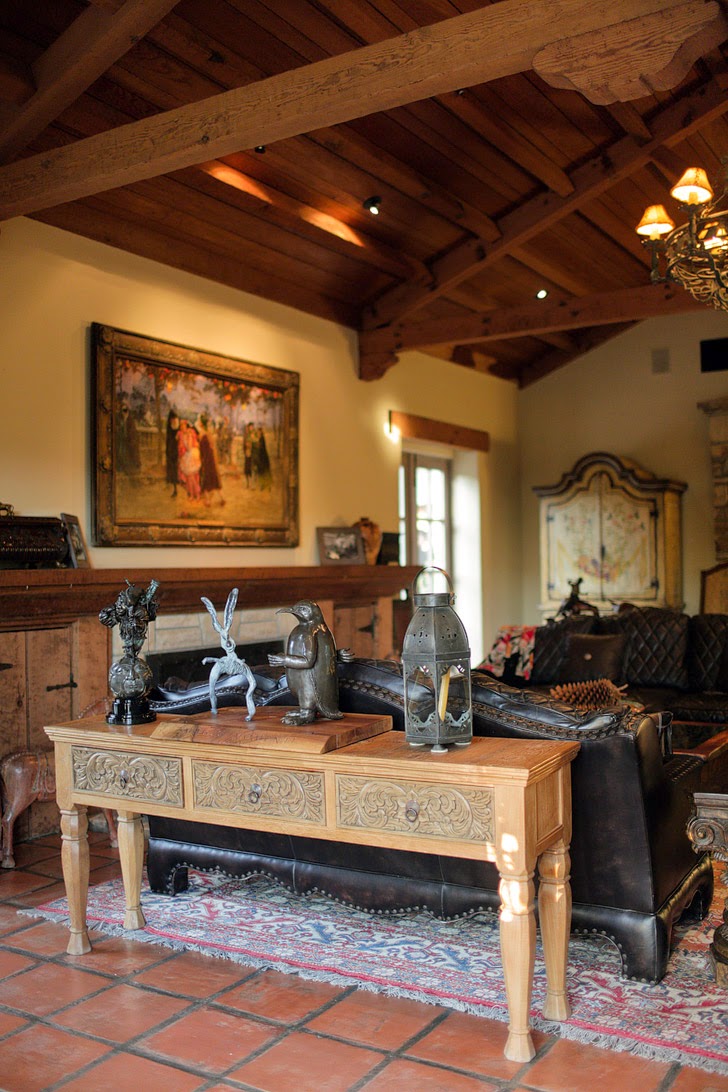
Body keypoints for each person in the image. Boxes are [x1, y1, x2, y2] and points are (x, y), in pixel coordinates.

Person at [198, 414, 223, 506]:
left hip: (206, 460)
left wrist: (201, 459)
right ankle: (221, 498)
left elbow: (202, 450)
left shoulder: (202, 434)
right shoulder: (209, 434)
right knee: (214, 478)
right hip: (211, 459)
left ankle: (208, 500)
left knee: (206, 480)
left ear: (201, 423)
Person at [177, 418, 201, 499]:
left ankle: (197, 494)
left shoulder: (190, 433)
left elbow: (189, 447)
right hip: (187, 456)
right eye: (181, 427)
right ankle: (191, 494)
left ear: (186, 426)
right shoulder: (182, 435)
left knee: (192, 477)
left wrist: (185, 441)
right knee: (189, 478)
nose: (182, 428)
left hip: (192, 455)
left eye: (183, 426)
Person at [116, 402, 140, 474]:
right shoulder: (119, 419)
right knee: (121, 453)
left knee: (130, 454)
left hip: (129, 441)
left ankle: (131, 469)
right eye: (123, 410)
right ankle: (121, 468)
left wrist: (131, 439)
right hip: (122, 441)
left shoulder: (130, 420)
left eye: (125, 410)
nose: (124, 412)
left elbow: (133, 432)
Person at [251, 424, 271, 490]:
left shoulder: (262, 439)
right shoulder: (259, 439)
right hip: (261, 458)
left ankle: (268, 485)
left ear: (261, 433)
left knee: (265, 472)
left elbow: (261, 448)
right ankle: (263, 485)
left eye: (259, 432)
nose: (258, 434)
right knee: (261, 472)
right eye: (258, 433)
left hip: (263, 458)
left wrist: (256, 444)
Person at [165, 410, 180, 496]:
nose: (173, 421)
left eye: (174, 419)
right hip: (171, 452)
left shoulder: (178, 427)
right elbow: (168, 441)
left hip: (179, 451)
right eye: (172, 419)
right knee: (173, 470)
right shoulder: (169, 428)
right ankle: (174, 489)